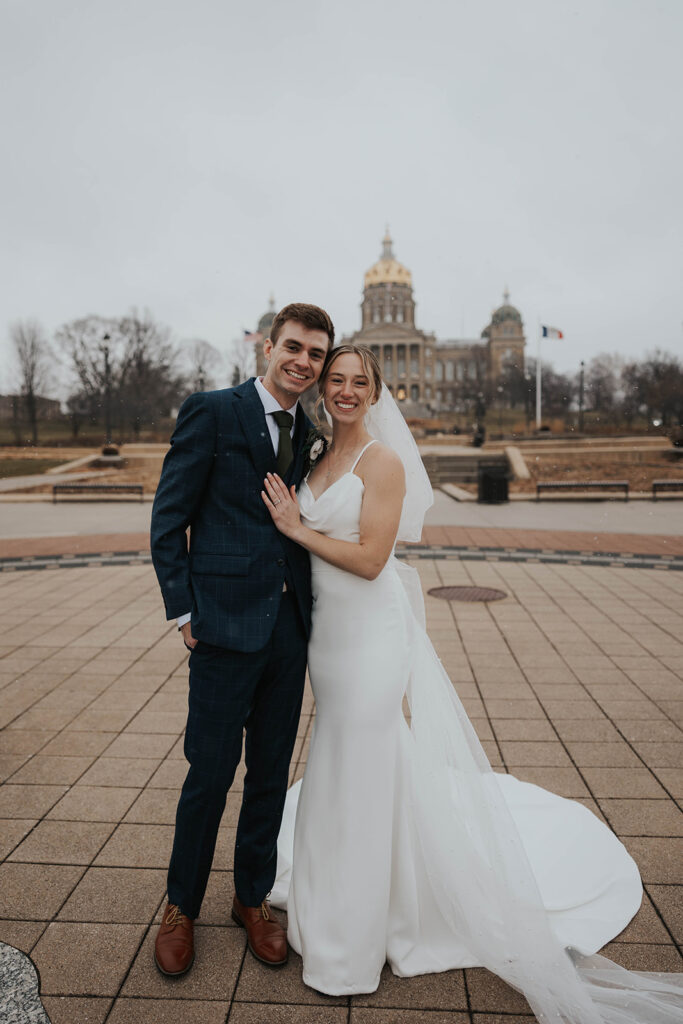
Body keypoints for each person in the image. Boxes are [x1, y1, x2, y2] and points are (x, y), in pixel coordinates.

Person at [262, 345, 682, 1022]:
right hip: (329, 641)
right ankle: (344, 898)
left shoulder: (385, 461)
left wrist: (292, 527)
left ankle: (359, 934)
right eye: (334, 380)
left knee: (364, 758)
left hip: (369, 634)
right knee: (345, 762)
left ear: (375, 393)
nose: (343, 391)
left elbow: (371, 560)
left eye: (356, 382)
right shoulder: (314, 456)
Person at [149, 302, 334, 976]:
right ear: (266, 345)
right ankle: (180, 906)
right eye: (293, 347)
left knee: (268, 775)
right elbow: (169, 517)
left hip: (289, 633)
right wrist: (181, 610)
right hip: (223, 628)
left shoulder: (312, 430)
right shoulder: (213, 410)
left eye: (314, 354)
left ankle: (250, 898)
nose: (302, 362)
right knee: (209, 773)